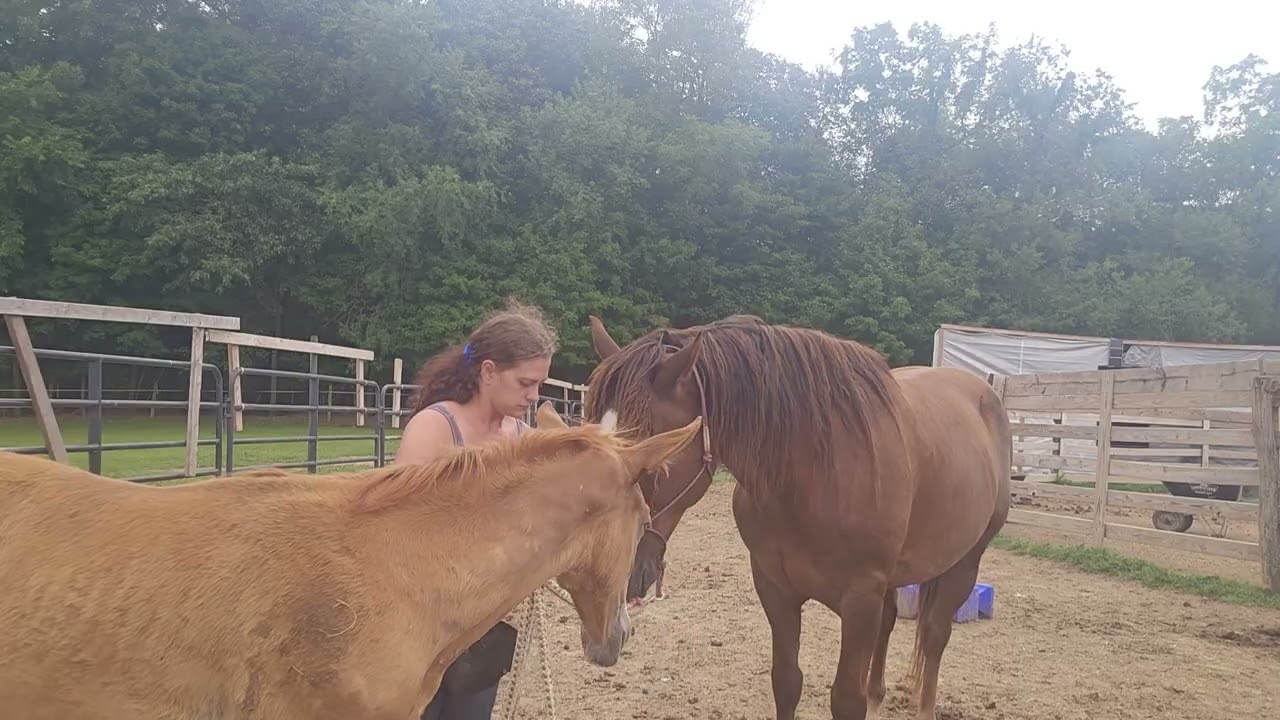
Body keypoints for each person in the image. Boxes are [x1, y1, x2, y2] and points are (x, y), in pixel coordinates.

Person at [395, 300, 558, 720]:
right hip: (422, 622)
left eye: (539, 384)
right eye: (525, 383)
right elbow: (399, 527)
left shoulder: (523, 439)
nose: (534, 396)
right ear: (488, 372)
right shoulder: (434, 427)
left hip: (482, 621)